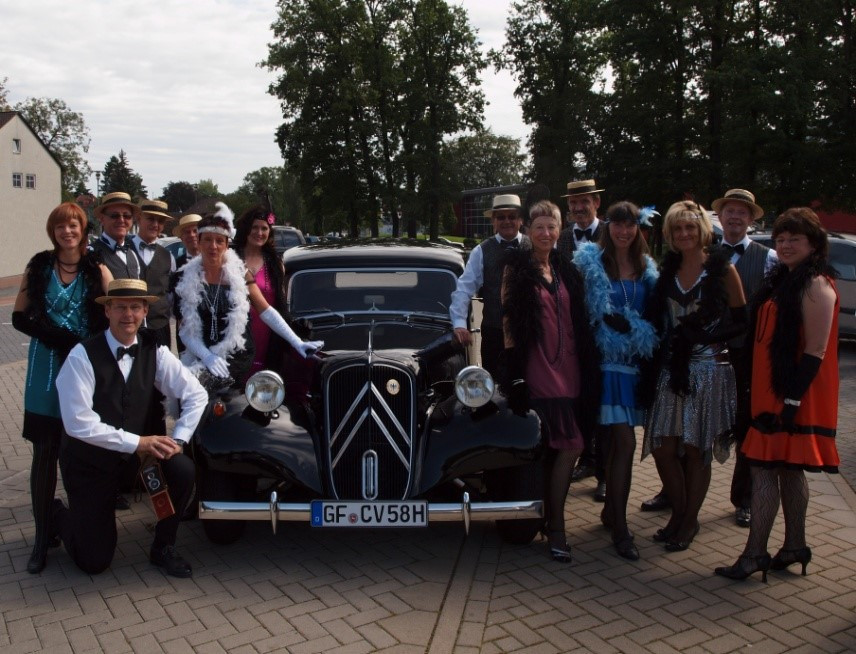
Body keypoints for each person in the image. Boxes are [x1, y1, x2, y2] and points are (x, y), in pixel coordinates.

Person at [715, 207, 839, 581]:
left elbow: (815, 351)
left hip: (792, 397)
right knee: (786, 471)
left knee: (765, 470)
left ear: (814, 244)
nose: (784, 245)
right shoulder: (784, 280)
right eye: (781, 239)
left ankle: (754, 554)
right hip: (772, 393)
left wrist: (792, 401)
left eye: (794, 239)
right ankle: (795, 547)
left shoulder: (815, 284)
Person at [54, 279, 209, 577]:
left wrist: (179, 438)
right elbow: (77, 423)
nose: (128, 314)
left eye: (135, 307)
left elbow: (196, 394)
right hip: (90, 464)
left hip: (134, 462)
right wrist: (139, 442)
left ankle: (163, 546)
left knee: (182, 470)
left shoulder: (156, 352)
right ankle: (57, 514)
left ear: (145, 311)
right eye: (121, 307)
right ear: (107, 311)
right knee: (94, 562)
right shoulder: (81, 356)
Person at [12, 202, 112, 574]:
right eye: (60, 227)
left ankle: (83, 527)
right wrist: (55, 335)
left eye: (73, 226)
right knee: (44, 454)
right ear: (52, 232)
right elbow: (19, 317)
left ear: (83, 229)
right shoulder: (39, 266)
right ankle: (41, 540)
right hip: (45, 367)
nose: (67, 232)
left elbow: (114, 312)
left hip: (83, 366)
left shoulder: (96, 268)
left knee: (81, 448)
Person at [641, 201, 746, 552]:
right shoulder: (666, 271)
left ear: (702, 230)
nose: (684, 234)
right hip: (671, 368)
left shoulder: (721, 270)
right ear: (669, 234)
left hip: (708, 370)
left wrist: (707, 338)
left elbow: (742, 320)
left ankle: (686, 522)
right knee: (662, 446)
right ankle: (684, 513)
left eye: (690, 227)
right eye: (677, 229)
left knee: (695, 446)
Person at [501, 200, 600, 563]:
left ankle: (548, 518)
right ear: (529, 229)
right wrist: (514, 377)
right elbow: (511, 324)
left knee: (567, 447)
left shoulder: (564, 269)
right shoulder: (516, 268)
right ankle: (555, 526)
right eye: (539, 226)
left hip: (572, 367)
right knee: (563, 446)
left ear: (560, 231)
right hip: (540, 367)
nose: (546, 233)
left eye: (552, 226)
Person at [573, 201, 659, 560]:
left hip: (631, 365)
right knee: (618, 442)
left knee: (618, 442)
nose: (624, 232)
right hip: (601, 364)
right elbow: (576, 313)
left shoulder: (647, 268)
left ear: (638, 229)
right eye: (618, 225)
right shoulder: (588, 263)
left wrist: (635, 328)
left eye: (630, 226)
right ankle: (619, 527)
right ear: (608, 227)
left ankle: (614, 515)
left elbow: (657, 318)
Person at [173, 203, 322, 387]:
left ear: (227, 245)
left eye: (219, 241)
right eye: (208, 240)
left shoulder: (239, 272)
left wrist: (297, 342)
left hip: (235, 356)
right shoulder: (184, 277)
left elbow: (265, 310)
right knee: (194, 401)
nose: (213, 246)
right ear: (199, 241)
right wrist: (207, 356)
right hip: (199, 357)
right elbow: (185, 330)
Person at [555, 179, 605, 489]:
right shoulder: (559, 238)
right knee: (576, 396)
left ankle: (603, 471)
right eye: (573, 203)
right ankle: (585, 458)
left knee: (601, 398)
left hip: (604, 330)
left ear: (596, 202)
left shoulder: (612, 234)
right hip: (569, 330)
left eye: (584, 201)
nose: (578, 208)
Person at [450, 194, 527, 379]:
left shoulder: (533, 246)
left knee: (530, 386)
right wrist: (459, 323)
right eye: (501, 217)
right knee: (493, 389)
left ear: (520, 219)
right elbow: (464, 287)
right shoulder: (481, 250)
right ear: (493, 221)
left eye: (512, 216)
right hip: (494, 332)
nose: (507, 221)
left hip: (528, 332)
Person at [233, 206, 288, 379]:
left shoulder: (276, 264)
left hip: (267, 334)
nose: (259, 232)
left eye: (264, 228)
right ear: (246, 228)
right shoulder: (230, 258)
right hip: (236, 334)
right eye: (255, 227)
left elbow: (281, 302)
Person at [132, 198, 176, 347]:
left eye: (160, 221)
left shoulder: (168, 256)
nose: (155, 225)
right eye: (150, 219)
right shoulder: (123, 250)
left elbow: (170, 294)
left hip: (160, 328)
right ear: (139, 218)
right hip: (130, 327)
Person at [91, 191, 143, 280]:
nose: (121, 220)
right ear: (102, 219)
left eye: (127, 216)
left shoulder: (132, 255)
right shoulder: (91, 253)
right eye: (114, 216)